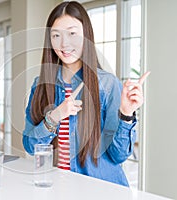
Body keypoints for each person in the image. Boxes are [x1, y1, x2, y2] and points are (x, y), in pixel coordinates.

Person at [22, 1, 150, 186]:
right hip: (59, 189)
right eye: (56, 35)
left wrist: (126, 115)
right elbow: (31, 146)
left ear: (86, 35)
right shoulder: (40, 85)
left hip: (101, 190)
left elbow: (118, 155)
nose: (64, 43)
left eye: (72, 33)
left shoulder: (107, 84)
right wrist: (55, 116)